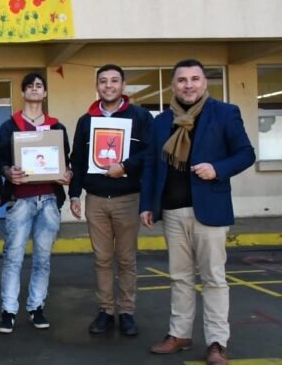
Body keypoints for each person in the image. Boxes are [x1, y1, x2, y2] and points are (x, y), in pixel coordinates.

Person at [140, 59, 255, 365]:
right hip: (172, 210)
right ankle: (179, 334)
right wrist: (147, 205)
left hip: (210, 209)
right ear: (173, 85)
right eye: (181, 80)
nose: (188, 85)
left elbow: (246, 154)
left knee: (214, 278)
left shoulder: (225, 113)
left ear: (204, 82)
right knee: (179, 278)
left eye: (194, 79)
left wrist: (217, 168)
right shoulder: (162, 121)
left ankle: (217, 342)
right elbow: (152, 164)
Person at [68, 64, 153, 336]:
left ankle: (127, 311)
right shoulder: (86, 120)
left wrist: (125, 166)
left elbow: (151, 154)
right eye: (103, 81)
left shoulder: (140, 117)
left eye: (114, 81)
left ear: (123, 85)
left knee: (127, 259)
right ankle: (106, 310)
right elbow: (78, 161)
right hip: (95, 199)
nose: (108, 86)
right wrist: (74, 194)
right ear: (97, 86)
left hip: (128, 198)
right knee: (102, 259)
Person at [0, 72, 71, 334]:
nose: (35, 89)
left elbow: (66, 162)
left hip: (49, 200)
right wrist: (7, 173)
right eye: (30, 86)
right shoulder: (10, 126)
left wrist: (67, 175)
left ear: (45, 93)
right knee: (12, 258)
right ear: (24, 92)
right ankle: (8, 311)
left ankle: (36, 307)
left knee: (43, 259)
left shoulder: (57, 127)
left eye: (40, 86)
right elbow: (1, 160)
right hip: (20, 200)